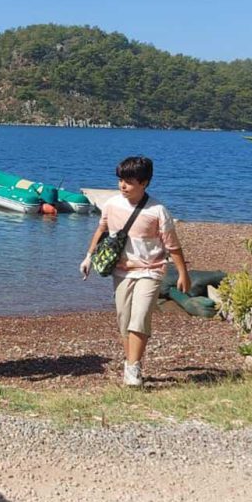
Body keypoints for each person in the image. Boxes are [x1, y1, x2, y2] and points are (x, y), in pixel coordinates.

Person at [79, 155, 190, 388]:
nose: (123, 186)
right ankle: (130, 361)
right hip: (121, 271)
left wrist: (183, 273)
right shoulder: (111, 204)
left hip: (151, 270)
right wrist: (88, 257)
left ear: (145, 183)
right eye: (121, 180)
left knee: (139, 318)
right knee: (124, 320)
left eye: (129, 181)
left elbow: (173, 246)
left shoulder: (158, 211)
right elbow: (101, 231)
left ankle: (133, 368)